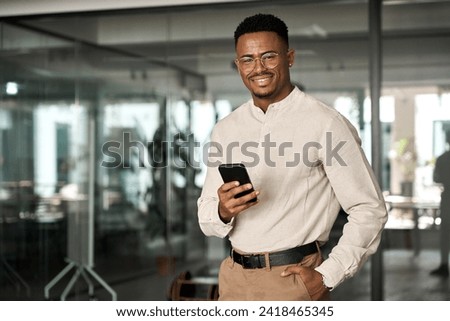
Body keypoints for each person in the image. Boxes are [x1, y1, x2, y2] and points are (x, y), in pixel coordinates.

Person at [197, 13, 388, 300]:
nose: (258, 68)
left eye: (269, 56)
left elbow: (369, 209)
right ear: (238, 65)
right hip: (233, 280)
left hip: (293, 279)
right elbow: (206, 216)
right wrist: (223, 211)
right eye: (247, 59)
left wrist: (328, 275)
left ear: (290, 57)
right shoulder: (226, 129)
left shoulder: (326, 123)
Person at [430, 131, 450, 277]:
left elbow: (436, 178)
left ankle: (444, 265)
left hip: (448, 197)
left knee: (445, 234)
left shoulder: (442, 158)